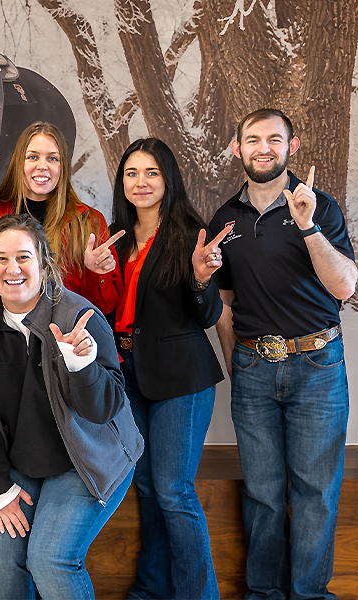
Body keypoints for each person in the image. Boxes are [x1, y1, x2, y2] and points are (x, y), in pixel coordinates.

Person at [210, 109, 357, 599]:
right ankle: (264, 593)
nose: (263, 148)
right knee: (262, 494)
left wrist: (308, 226)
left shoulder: (322, 208)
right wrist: (236, 360)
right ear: (237, 149)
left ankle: (309, 594)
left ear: (292, 147)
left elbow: (344, 288)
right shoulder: (224, 218)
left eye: (275, 139)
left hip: (317, 366)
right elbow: (225, 303)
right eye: (253, 140)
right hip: (253, 368)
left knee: (314, 494)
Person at [0, 214, 143, 599]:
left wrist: (83, 366)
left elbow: (104, 410)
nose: (13, 269)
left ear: (44, 264)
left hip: (87, 458)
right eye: (1, 258)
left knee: (50, 560)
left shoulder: (79, 317)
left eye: (24, 257)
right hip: (24, 461)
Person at [110, 138, 232, 599]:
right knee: (145, 486)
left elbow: (205, 316)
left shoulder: (188, 233)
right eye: (131, 173)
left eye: (151, 173)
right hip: (129, 377)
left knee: (173, 489)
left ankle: (199, 595)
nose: (140, 183)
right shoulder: (116, 235)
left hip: (181, 379)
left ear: (168, 179)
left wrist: (201, 279)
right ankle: (151, 589)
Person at [0, 121, 122, 316]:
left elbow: (103, 309)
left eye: (53, 159)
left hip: (67, 339)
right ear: (19, 162)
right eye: (32, 157)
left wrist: (94, 273)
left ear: (63, 166)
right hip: (11, 339)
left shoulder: (89, 222)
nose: (42, 166)